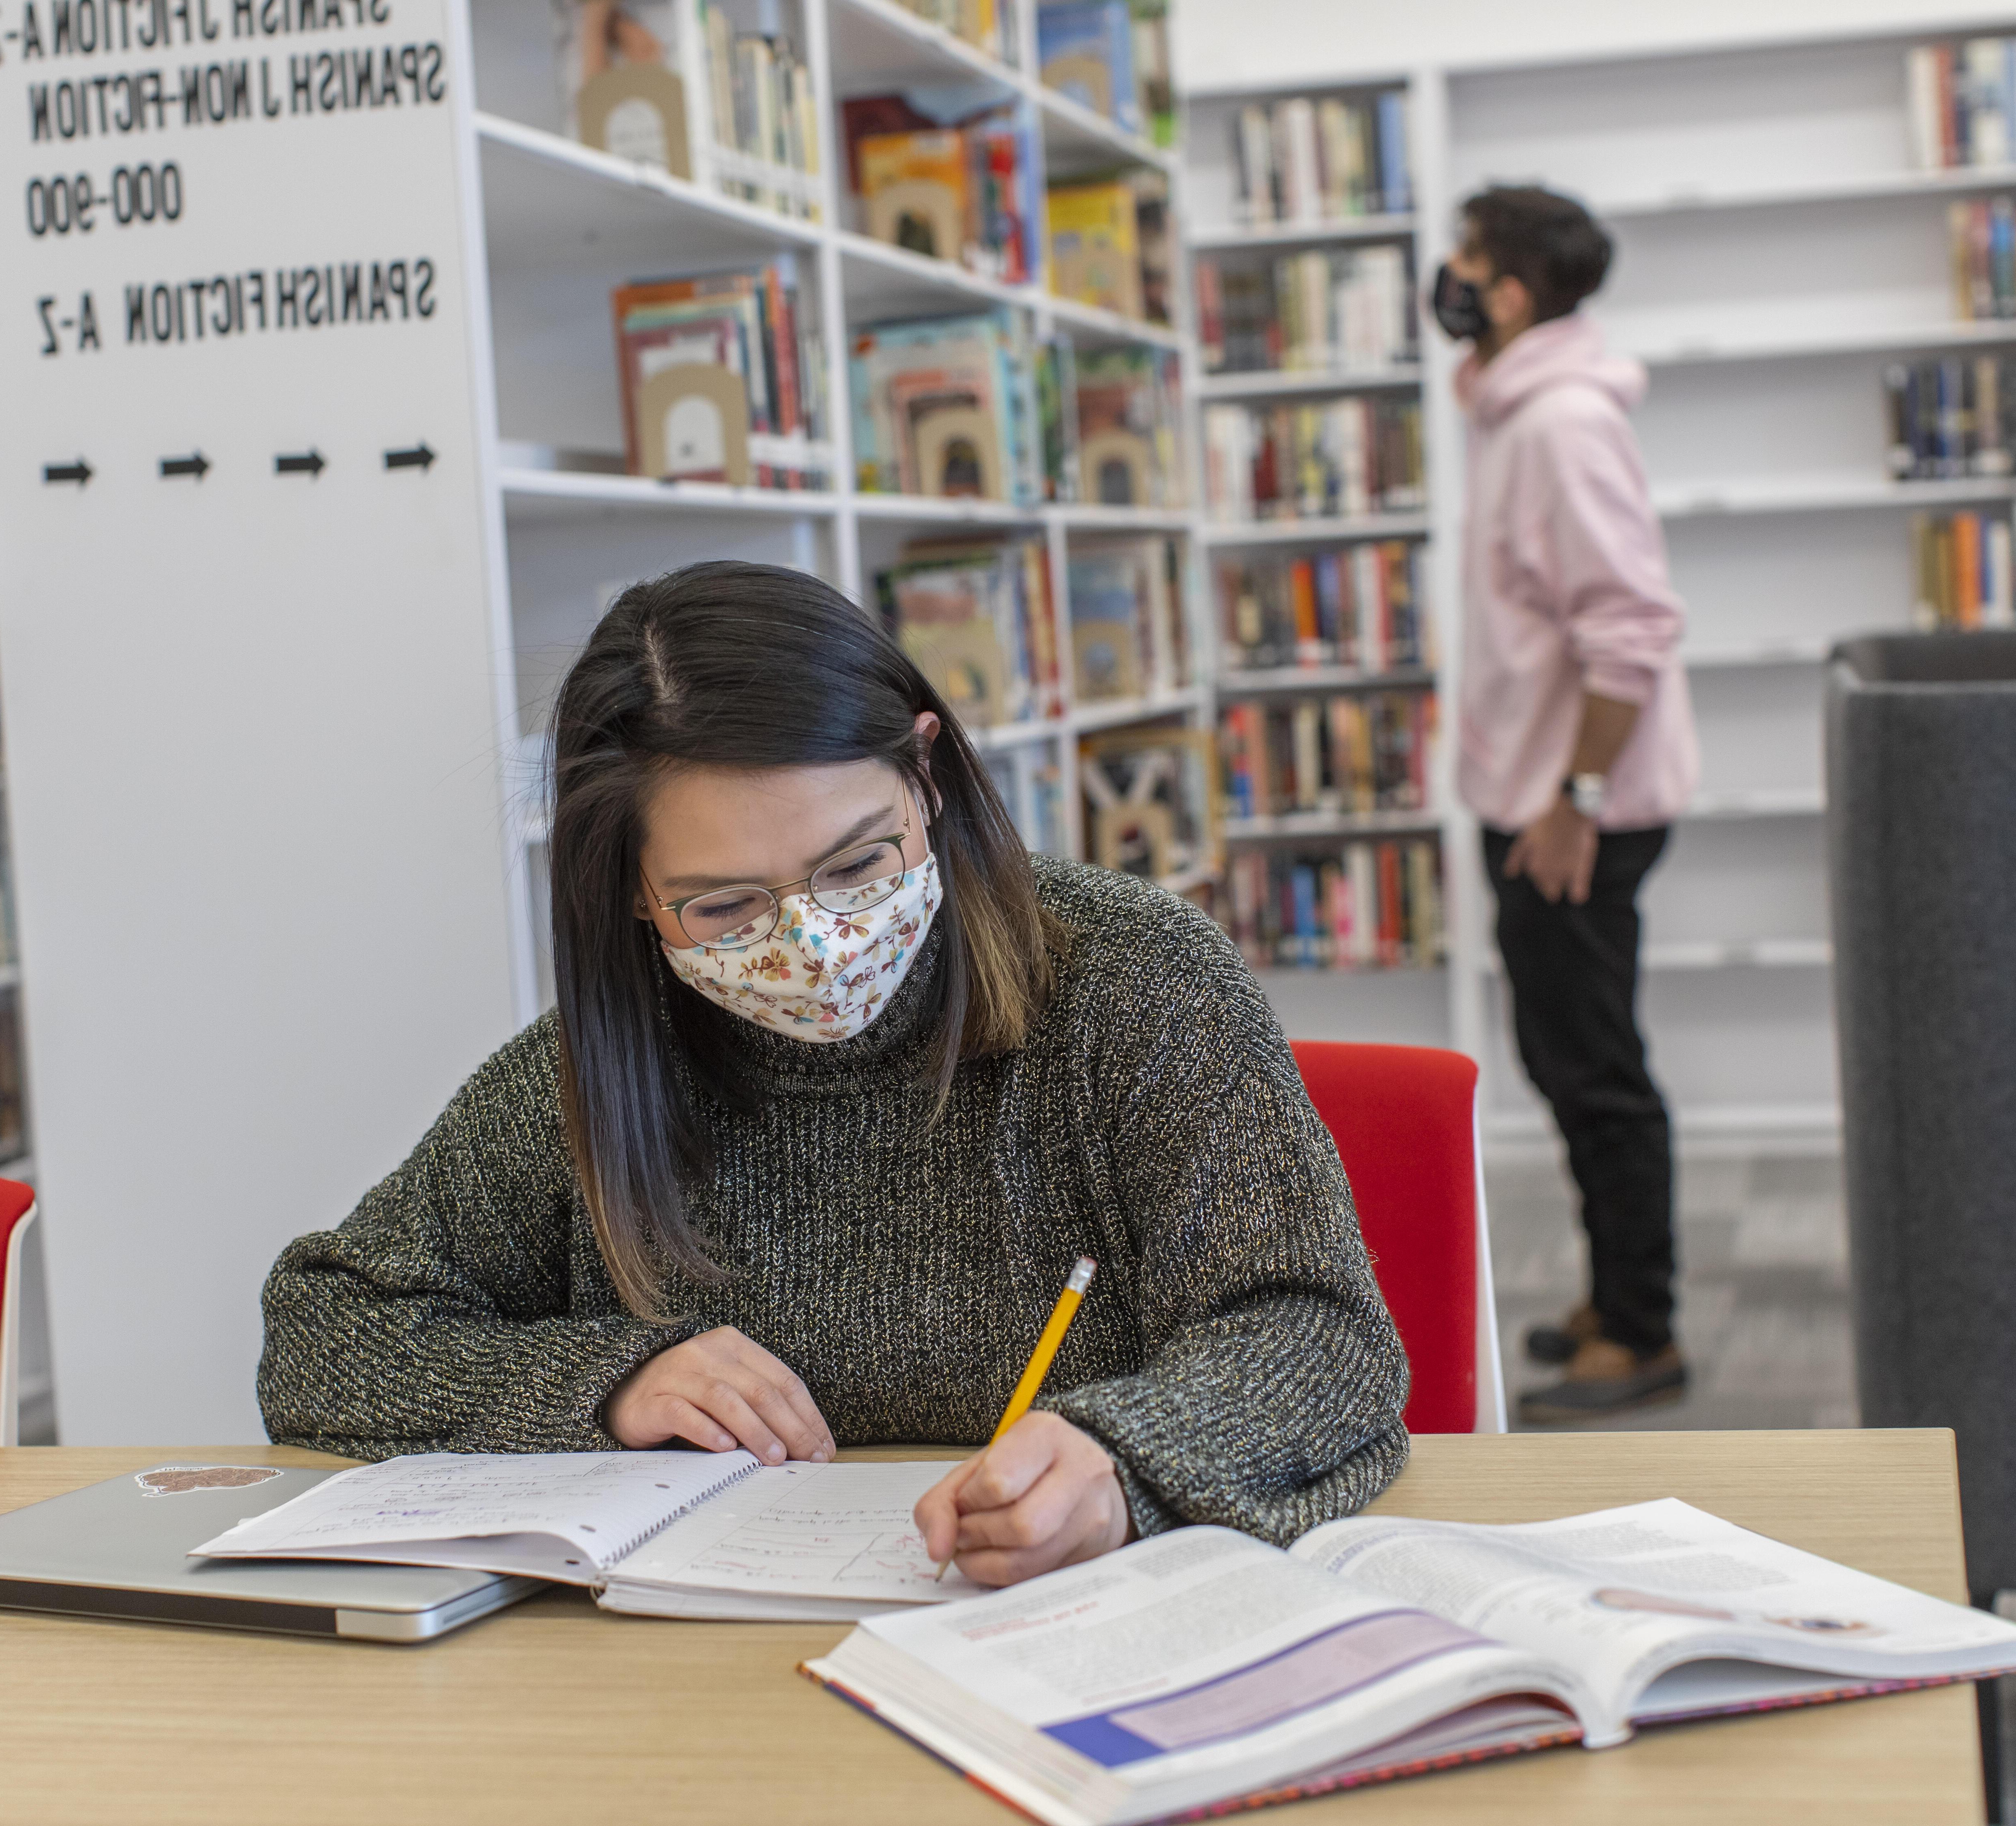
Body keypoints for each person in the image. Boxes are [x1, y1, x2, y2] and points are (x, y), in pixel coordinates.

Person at [257, 562, 1410, 1587]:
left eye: (858, 861)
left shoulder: (1132, 982)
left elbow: (1318, 1334)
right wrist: (608, 1382)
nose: (813, 945)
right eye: (725, 905)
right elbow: (322, 1334)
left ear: (927, 775)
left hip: (1070, 1633)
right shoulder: (603, 1063)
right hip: (693, 1693)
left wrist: (1125, 1465)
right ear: (633, 896)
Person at [1433, 187, 1699, 1423]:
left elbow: (1632, 631)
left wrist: (1575, 797)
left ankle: (1642, 1331)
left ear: (1517, 293)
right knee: (1565, 1051)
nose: (1448, 277)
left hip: (1573, 808)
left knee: (1594, 1068)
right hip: (1545, 797)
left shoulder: (1560, 427)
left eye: (1469, 262)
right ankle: (1615, 1295)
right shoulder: (1514, 415)